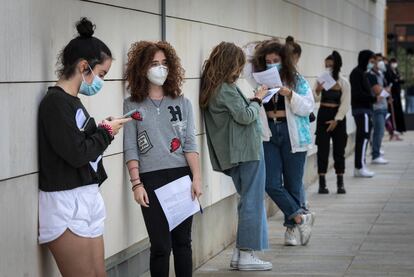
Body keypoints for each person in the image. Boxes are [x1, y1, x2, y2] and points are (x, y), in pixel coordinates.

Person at [38, 18, 130, 277]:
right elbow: (77, 153)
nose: (101, 81)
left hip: (85, 196)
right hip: (65, 201)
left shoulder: (72, 102)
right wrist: (106, 132)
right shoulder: (54, 104)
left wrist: (102, 129)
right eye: (101, 74)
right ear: (83, 66)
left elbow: (81, 145)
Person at [123, 41, 202, 277]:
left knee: (182, 243)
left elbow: (190, 143)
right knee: (160, 246)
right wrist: (136, 184)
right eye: (154, 64)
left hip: (181, 177)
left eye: (164, 64)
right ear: (142, 69)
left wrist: (196, 178)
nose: (160, 69)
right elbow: (130, 147)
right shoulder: (132, 104)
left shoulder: (182, 102)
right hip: (150, 180)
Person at [200, 42, 272, 271]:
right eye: (238, 65)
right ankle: (247, 255)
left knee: (247, 200)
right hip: (247, 151)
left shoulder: (213, 87)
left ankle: (240, 253)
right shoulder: (225, 89)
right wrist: (258, 99)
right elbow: (245, 116)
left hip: (236, 153)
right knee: (252, 201)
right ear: (231, 64)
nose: (240, 71)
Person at [251, 40, 315, 247]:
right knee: (270, 183)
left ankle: (291, 229)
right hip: (269, 133)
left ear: (284, 60)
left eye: (276, 60)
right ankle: (300, 216)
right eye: (267, 61)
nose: (271, 64)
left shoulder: (296, 80)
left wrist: (289, 94)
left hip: (292, 134)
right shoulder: (258, 80)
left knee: (293, 184)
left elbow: (307, 107)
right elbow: (244, 56)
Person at [314, 51, 350, 194]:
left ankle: (340, 183)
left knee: (339, 150)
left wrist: (336, 120)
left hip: (338, 118)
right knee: (322, 149)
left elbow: (346, 103)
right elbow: (314, 99)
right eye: (326, 64)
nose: (328, 67)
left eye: (331, 64)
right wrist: (317, 90)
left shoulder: (343, 82)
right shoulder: (320, 79)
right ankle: (322, 184)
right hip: (323, 114)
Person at [350, 50, 377, 177]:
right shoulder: (357, 73)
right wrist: (372, 98)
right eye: (370, 60)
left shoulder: (362, 73)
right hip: (362, 111)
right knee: (364, 138)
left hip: (365, 110)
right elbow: (357, 94)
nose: (371, 63)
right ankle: (359, 166)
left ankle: (361, 165)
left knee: (364, 138)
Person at [367, 53, 390, 165]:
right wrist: (385, 90)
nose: (381, 62)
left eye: (381, 60)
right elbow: (378, 90)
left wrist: (385, 90)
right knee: (378, 131)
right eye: (378, 60)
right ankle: (375, 155)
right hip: (377, 107)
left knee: (380, 132)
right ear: (374, 62)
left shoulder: (380, 74)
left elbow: (386, 89)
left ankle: (377, 151)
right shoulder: (370, 75)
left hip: (384, 106)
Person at [385, 58, 406, 135]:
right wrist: (396, 80)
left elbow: (400, 80)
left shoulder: (396, 71)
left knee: (398, 111)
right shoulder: (388, 72)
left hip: (397, 94)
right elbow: (391, 81)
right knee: (394, 112)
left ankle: (400, 128)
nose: (395, 64)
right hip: (392, 94)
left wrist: (398, 80)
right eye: (393, 63)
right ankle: (393, 128)